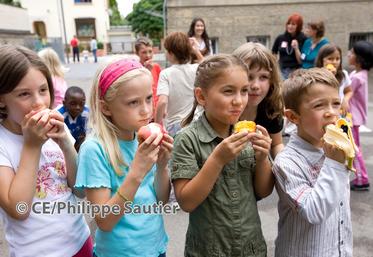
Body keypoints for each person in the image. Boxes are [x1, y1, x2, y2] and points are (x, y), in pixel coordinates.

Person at [172, 54, 274, 256]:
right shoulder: (187, 139)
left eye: (244, 91)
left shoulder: (247, 135)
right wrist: (217, 160)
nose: (239, 101)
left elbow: (263, 191)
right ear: (201, 96)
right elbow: (186, 202)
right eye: (228, 91)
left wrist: (263, 158)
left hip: (250, 247)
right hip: (209, 250)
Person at [75, 59, 173, 257]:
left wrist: (162, 166)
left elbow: (161, 202)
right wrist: (136, 172)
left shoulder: (142, 138)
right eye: (133, 102)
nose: (146, 110)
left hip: (155, 248)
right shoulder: (94, 150)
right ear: (106, 108)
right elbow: (104, 222)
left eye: (148, 98)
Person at [0, 45, 91, 257]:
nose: (39, 103)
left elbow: (80, 190)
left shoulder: (57, 129)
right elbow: (18, 209)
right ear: (2, 98)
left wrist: (67, 146)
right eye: (24, 94)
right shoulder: (3, 143)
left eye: (43, 90)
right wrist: (32, 146)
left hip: (80, 241)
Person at [273, 68, 352, 257]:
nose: (332, 113)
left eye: (335, 104)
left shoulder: (337, 149)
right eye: (319, 106)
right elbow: (314, 212)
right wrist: (334, 163)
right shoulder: (286, 162)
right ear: (293, 117)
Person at [233, 42, 284, 158]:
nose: (255, 85)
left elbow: (277, 144)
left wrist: (284, 164)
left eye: (263, 77)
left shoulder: (271, 108)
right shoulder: (226, 108)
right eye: (249, 77)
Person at [155, 32, 201, 136]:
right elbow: (209, 65)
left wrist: (157, 125)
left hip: (175, 126)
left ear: (171, 53)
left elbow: (162, 102)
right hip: (196, 122)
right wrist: (196, 51)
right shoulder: (196, 68)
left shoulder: (166, 74)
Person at [347, 41, 373, 191]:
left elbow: (346, 91)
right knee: (354, 148)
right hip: (353, 117)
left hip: (353, 118)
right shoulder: (356, 74)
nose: (349, 54)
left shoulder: (358, 78)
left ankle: (362, 179)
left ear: (359, 59)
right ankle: (360, 177)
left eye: (352, 53)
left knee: (355, 150)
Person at [315, 44, 352, 114]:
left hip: (339, 111)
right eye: (330, 59)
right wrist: (327, 75)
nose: (334, 62)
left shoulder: (343, 74)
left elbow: (349, 91)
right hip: (323, 112)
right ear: (321, 60)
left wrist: (345, 99)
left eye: (337, 59)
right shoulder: (316, 75)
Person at [272, 13, 307, 79]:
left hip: (297, 71)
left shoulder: (303, 39)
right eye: (289, 24)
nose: (290, 26)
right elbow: (274, 52)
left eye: (293, 24)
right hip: (282, 70)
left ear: (298, 26)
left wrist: (296, 48)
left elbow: (301, 60)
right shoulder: (280, 38)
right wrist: (275, 65)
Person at [57, 86, 89, 152]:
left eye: (81, 104)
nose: (78, 107)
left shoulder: (87, 114)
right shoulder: (59, 115)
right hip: (63, 146)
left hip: (80, 144)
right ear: (64, 103)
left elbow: (90, 135)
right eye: (73, 104)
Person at [135, 37, 162, 112]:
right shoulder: (136, 68)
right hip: (143, 108)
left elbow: (160, 86)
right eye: (144, 52)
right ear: (137, 53)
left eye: (150, 51)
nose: (148, 55)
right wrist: (146, 71)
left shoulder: (156, 67)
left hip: (156, 107)